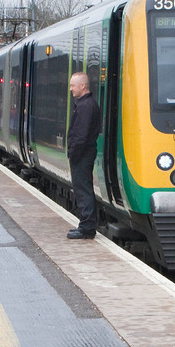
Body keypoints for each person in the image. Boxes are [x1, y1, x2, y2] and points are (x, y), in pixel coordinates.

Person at [66, 71, 101, 240]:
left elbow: (81, 134)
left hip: (82, 155)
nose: (71, 89)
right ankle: (85, 225)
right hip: (84, 153)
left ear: (82, 86)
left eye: (73, 85)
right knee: (83, 188)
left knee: (83, 189)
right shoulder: (86, 104)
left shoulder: (85, 106)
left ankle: (87, 227)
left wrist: (73, 154)